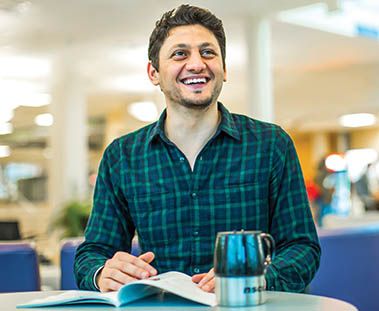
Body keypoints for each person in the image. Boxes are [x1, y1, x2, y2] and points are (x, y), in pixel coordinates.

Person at [74, 4, 320, 294]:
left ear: (224, 70)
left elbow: (302, 247)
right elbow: (93, 252)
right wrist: (103, 272)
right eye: (180, 54)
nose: (196, 64)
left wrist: (259, 275)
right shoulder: (122, 157)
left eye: (208, 52)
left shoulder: (271, 144)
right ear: (154, 73)